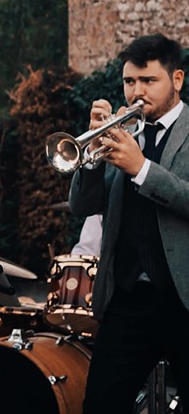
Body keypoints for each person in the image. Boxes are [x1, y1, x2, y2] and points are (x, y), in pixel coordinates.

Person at [69, 33, 189, 414]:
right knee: (100, 404)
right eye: (129, 81)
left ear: (178, 80)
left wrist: (141, 169)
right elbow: (82, 205)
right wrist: (90, 154)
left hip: (184, 299)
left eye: (149, 81)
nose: (137, 92)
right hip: (128, 300)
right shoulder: (122, 132)